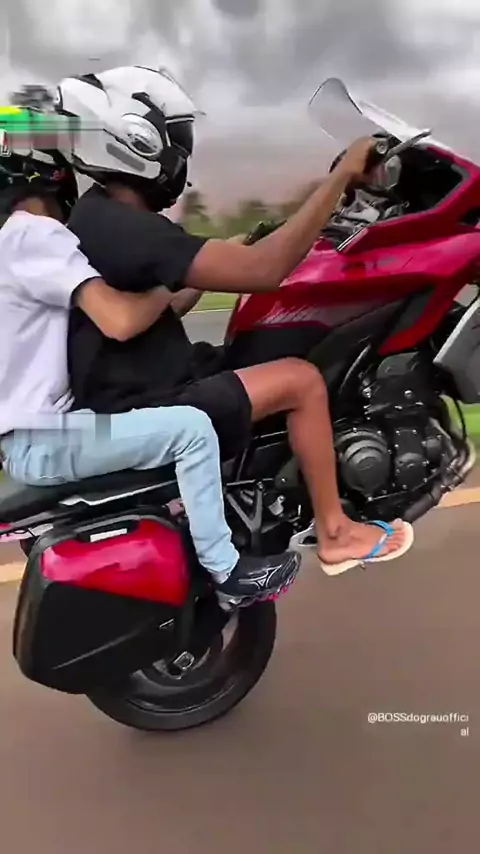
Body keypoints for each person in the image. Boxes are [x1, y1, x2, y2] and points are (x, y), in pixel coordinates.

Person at [58, 65, 414, 574]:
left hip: (143, 383)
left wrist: (215, 261)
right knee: (301, 380)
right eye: (177, 143)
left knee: (264, 344)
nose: (181, 158)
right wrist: (339, 179)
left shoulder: (101, 214)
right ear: (136, 140)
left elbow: (165, 303)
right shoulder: (125, 226)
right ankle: (336, 533)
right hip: (147, 405)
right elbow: (265, 270)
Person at [0, 147, 301, 603]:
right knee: (191, 429)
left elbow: (156, 310)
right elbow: (121, 320)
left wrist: (190, 275)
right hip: (45, 440)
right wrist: (172, 273)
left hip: (42, 435)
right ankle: (228, 572)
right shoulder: (33, 234)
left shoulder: (12, 250)